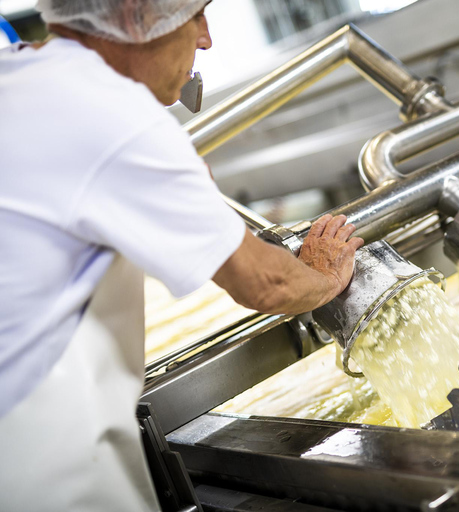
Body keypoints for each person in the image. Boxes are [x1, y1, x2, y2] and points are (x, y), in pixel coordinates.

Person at [0, 1, 363, 510]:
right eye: (194, 14)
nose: (205, 38)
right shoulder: (110, 111)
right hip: (47, 469)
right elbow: (266, 283)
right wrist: (326, 275)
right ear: (133, 14)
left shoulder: (18, 75)